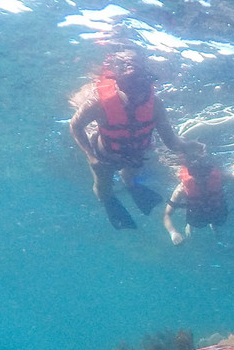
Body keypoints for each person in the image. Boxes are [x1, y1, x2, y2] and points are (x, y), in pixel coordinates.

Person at [69, 49, 191, 229]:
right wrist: (91, 157)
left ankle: (130, 185)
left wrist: (188, 146)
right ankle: (108, 201)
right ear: (119, 86)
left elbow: (170, 140)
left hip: (136, 152)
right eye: (131, 92)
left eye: (141, 91)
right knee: (103, 185)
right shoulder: (98, 102)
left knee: (131, 175)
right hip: (104, 154)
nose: (136, 98)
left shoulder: (154, 103)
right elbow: (75, 126)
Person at [163, 141, 234, 244]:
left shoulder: (219, 178)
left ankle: (214, 227)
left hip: (217, 211)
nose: (201, 179)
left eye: (204, 175)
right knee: (197, 223)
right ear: (191, 174)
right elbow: (167, 215)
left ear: (208, 172)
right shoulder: (181, 189)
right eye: (197, 175)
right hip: (196, 216)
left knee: (219, 221)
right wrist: (173, 233)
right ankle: (190, 225)